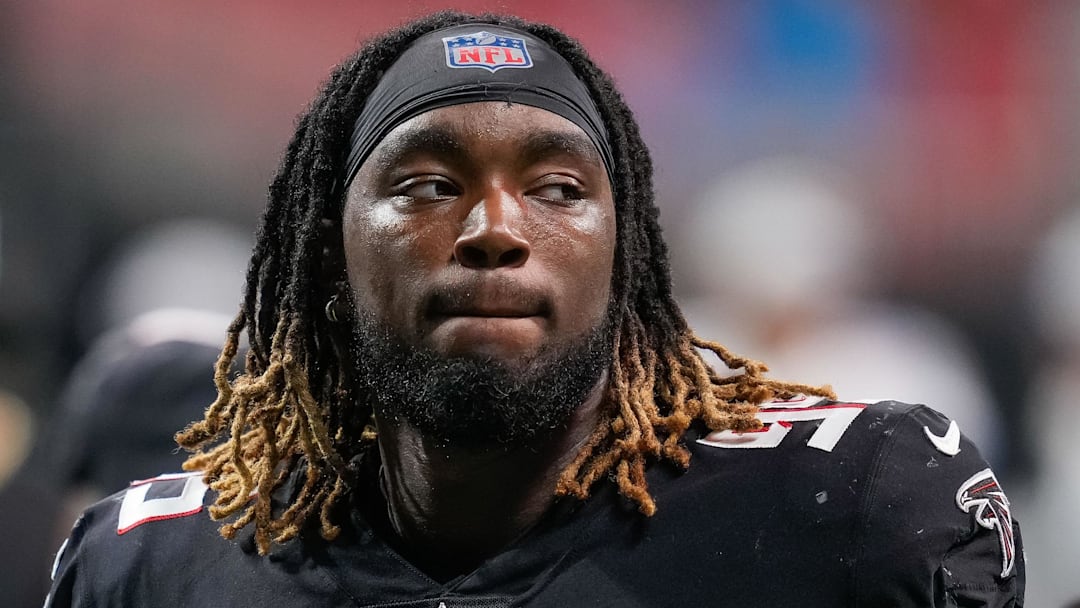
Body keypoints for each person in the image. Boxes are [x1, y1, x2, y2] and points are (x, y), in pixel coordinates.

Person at [44, 11, 1025, 607]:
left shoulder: (846, 511)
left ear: (625, 258)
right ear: (327, 257)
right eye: (428, 182)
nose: (496, 227)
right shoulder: (154, 566)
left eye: (558, 188)